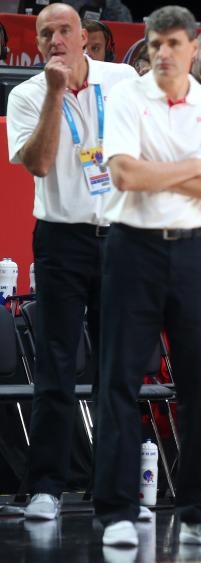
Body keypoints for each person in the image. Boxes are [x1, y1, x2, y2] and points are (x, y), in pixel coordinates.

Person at [93, 5, 201, 548]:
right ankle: (116, 514)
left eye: (173, 44)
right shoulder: (128, 96)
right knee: (119, 380)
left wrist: (171, 176)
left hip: (195, 252)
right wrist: (193, 167)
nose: (163, 53)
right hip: (132, 249)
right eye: (155, 44)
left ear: (193, 46)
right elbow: (125, 174)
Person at [5, 2, 137, 521]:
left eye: (65, 30)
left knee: (117, 369)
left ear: (85, 36)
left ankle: (114, 488)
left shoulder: (124, 78)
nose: (55, 40)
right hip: (61, 239)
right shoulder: (26, 94)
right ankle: (46, 488)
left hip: (122, 235)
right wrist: (55, 94)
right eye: (46, 34)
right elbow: (37, 162)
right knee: (57, 366)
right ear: (38, 44)